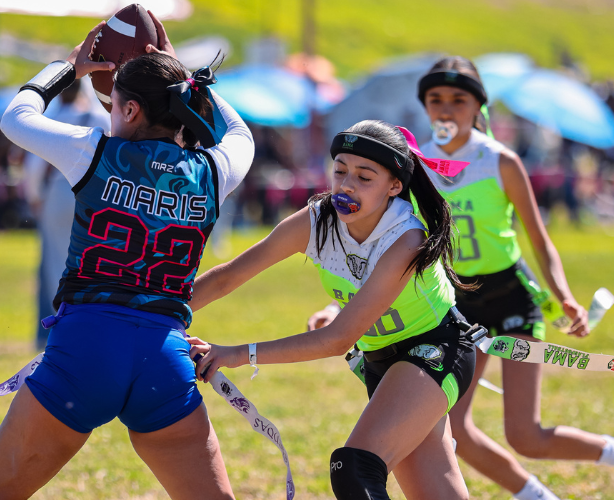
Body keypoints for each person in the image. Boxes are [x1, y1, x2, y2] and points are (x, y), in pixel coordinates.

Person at [0, 15, 254, 499]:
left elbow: (15, 118)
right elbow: (239, 133)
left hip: (85, 350)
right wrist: (181, 75)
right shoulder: (213, 169)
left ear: (131, 109)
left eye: (115, 103)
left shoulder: (94, 152)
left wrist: (69, 67)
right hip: (165, 358)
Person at [393, 56, 614, 500]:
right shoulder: (416, 165)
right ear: (424, 105)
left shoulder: (499, 160)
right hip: (459, 308)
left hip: (512, 299)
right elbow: (397, 243)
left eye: (458, 99)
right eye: (436, 99)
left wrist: (564, 295)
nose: (446, 109)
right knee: (454, 429)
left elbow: (539, 240)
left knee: (525, 435)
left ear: (478, 106)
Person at [190, 120, 478, 500]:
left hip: (435, 351)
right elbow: (228, 277)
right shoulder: (316, 221)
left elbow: (338, 340)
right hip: (380, 363)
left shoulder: (406, 238)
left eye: (364, 177)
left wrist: (236, 354)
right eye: (340, 171)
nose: (346, 186)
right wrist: (158, 313)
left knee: (354, 468)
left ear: (395, 186)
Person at [21, 79, 109, 350]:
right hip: (95, 195)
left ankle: (58, 327)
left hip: (58, 192)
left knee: (55, 264)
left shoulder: (52, 119)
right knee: (94, 260)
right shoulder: (98, 117)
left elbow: (34, 166)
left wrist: (35, 198)